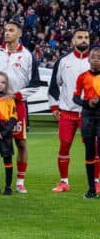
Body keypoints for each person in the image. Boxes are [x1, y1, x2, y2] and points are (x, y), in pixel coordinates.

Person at [0, 20, 41, 194]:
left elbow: (35, 83)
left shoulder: (27, 55)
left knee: (20, 142)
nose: (7, 33)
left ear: (19, 33)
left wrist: (16, 95)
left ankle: (20, 182)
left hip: (16, 104)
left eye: (11, 30)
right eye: (5, 30)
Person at [48, 28, 94, 193]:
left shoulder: (96, 60)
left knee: (93, 148)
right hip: (67, 112)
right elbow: (54, 85)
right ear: (73, 41)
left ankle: (96, 182)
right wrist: (54, 106)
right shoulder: (63, 61)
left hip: (90, 114)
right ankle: (63, 182)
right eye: (80, 37)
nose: (83, 40)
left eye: (86, 37)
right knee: (64, 146)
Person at [72, 47, 100, 199]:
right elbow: (75, 98)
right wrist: (87, 103)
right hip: (88, 116)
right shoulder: (82, 77)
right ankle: (91, 189)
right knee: (89, 152)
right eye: (93, 57)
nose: (96, 59)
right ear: (88, 60)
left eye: (99, 57)